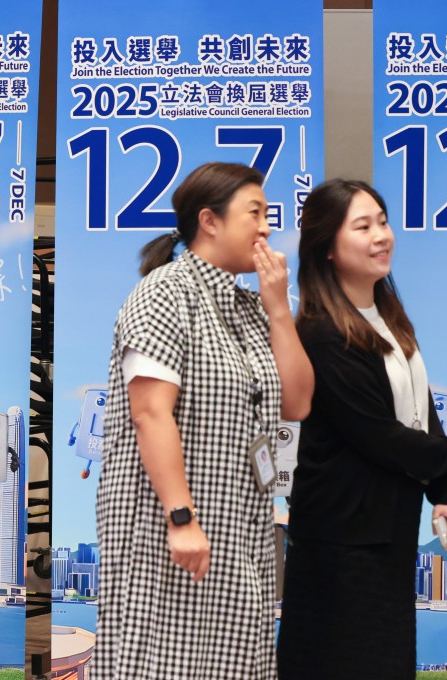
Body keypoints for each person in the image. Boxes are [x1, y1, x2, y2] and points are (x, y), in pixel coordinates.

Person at [94, 162, 315, 679]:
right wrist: (181, 519)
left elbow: (298, 403)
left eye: (268, 214)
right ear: (209, 221)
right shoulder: (164, 293)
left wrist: (279, 307)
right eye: (254, 213)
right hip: (168, 531)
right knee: (159, 665)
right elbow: (150, 413)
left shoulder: (251, 306)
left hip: (241, 528)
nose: (265, 227)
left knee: (237, 664)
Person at [277, 179, 447, 679]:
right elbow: (378, 435)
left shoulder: (387, 316)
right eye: (362, 226)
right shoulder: (321, 332)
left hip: (385, 533)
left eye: (382, 221)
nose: (381, 235)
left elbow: (422, 414)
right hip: (341, 543)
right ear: (327, 248)